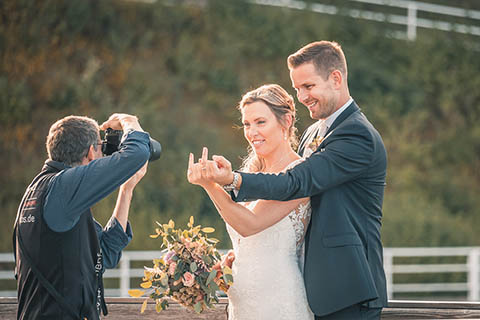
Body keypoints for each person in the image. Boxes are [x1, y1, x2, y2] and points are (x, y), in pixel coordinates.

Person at [193, 41, 388, 319]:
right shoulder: (312, 134)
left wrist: (233, 180)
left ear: (336, 78)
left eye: (308, 86)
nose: (302, 96)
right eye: (297, 89)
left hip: (349, 287)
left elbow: (294, 182)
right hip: (314, 288)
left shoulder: (357, 136)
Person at [188, 84, 314, 320]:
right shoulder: (249, 174)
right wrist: (223, 267)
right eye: (247, 124)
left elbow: (250, 225)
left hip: (279, 300)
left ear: (286, 121)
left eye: (260, 122)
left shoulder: (299, 174)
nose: (251, 131)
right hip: (241, 302)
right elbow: (248, 243)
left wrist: (209, 185)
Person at [13, 113, 150, 320]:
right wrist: (128, 121)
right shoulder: (62, 190)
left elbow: (104, 254)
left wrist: (126, 190)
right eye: (101, 147)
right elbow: (138, 152)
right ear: (91, 153)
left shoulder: (40, 190)